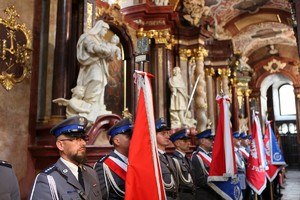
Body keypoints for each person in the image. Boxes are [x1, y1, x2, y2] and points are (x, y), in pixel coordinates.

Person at [28, 116, 102, 200]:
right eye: (76, 138)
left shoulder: (92, 173)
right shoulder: (48, 179)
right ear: (60, 145)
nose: (83, 143)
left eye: (83, 138)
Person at [76, 20, 121, 122]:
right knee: (96, 80)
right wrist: (104, 50)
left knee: (101, 84)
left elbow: (108, 56)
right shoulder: (88, 37)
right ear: (99, 28)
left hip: (100, 66)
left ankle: (96, 106)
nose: (105, 33)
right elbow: (91, 48)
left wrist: (110, 53)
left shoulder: (102, 41)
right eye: (104, 30)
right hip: (92, 66)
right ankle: (89, 105)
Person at [94, 118, 133, 200]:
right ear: (117, 141)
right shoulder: (104, 165)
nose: (134, 139)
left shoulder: (138, 161)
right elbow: (101, 197)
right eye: (129, 137)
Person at [191, 129, 221, 200]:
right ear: (202, 141)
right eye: (209, 139)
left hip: (214, 193)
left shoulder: (211, 155)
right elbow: (200, 180)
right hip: (205, 194)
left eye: (212, 139)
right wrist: (218, 181)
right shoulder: (197, 156)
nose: (212, 142)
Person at [155, 117, 179, 200]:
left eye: (168, 133)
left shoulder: (169, 158)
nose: (167, 136)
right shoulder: (152, 158)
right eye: (163, 133)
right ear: (154, 135)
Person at [170, 128, 195, 199]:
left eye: (188, 140)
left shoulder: (187, 159)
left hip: (192, 195)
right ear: (177, 143)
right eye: (185, 141)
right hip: (182, 196)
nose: (189, 143)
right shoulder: (174, 160)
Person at [232, 131, 247, 199]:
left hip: (243, 180)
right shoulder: (232, 152)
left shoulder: (239, 152)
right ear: (232, 139)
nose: (239, 140)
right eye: (237, 138)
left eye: (240, 138)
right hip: (237, 181)